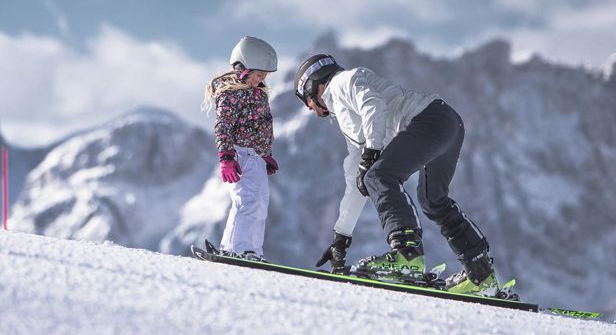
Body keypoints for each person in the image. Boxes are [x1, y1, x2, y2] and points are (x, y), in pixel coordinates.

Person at [294, 53, 499, 295]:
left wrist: (371, 155)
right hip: (446, 122)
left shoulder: (342, 82)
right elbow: (356, 179)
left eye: (305, 100)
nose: (309, 108)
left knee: (379, 176)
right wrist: (341, 237)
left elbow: (373, 105)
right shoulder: (347, 117)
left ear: (312, 86)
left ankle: (407, 257)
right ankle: (481, 273)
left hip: (429, 120)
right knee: (432, 201)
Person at [202, 36, 279, 261]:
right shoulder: (232, 92)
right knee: (247, 202)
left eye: (264, 77)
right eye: (258, 75)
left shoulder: (257, 92)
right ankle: (239, 249)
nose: (261, 80)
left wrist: (265, 155)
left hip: (254, 155)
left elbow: (258, 127)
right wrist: (226, 156)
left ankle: (248, 249)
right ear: (243, 68)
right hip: (241, 154)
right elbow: (223, 124)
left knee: (259, 203)